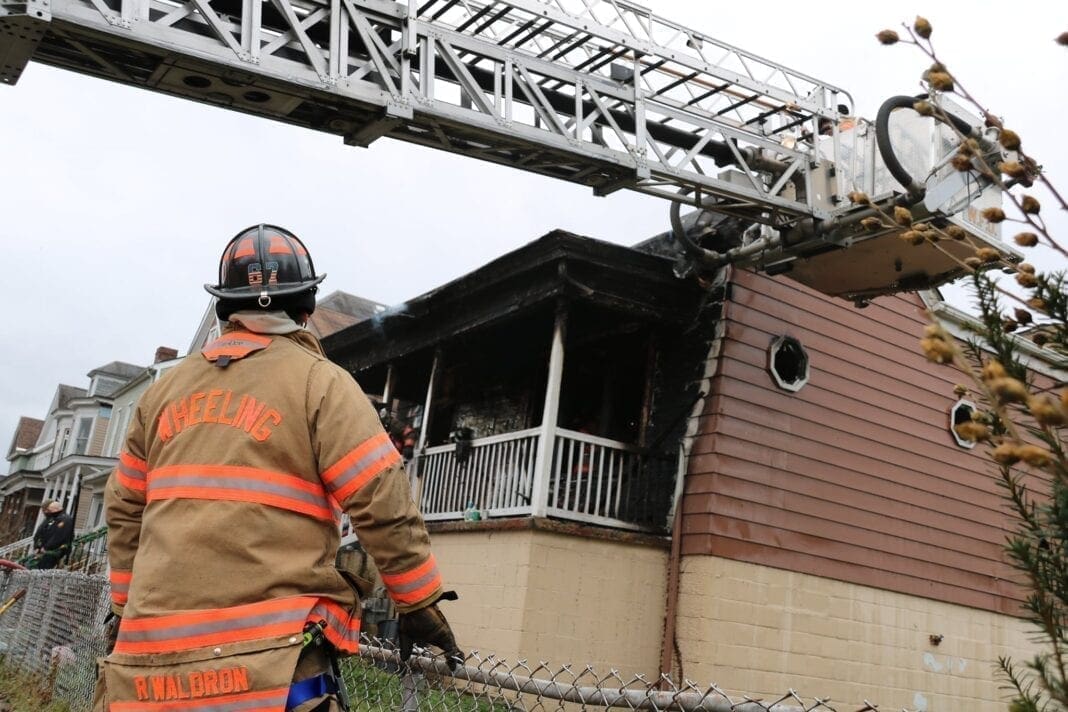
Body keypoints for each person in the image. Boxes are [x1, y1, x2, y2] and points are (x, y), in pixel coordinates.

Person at [95, 224, 461, 712]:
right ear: (306, 305)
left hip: (148, 670)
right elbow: (381, 496)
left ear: (225, 308)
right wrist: (417, 602)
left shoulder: (161, 395)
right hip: (272, 667)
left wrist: (124, 609)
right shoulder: (322, 383)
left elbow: (123, 511)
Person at [31, 500, 74, 569]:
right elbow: (40, 533)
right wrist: (37, 547)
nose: (45, 512)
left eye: (48, 510)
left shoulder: (65, 520)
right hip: (43, 551)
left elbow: (58, 536)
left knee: (43, 569)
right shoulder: (50, 519)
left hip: (52, 552)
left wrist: (46, 547)